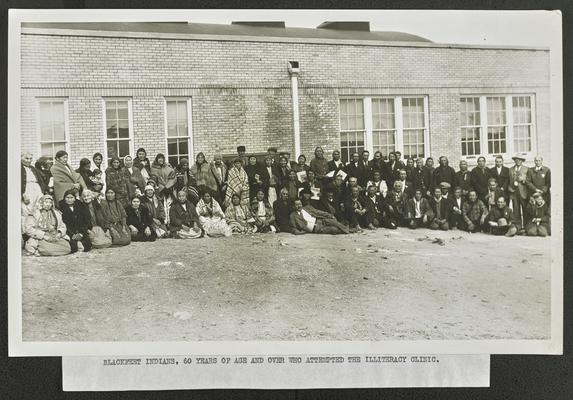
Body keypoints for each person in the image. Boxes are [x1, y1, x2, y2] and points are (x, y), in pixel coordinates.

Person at [21, 152, 48, 218]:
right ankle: (27, 227)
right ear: (21, 158)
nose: (29, 160)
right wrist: (23, 194)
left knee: (38, 208)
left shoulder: (33, 168)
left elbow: (40, 181)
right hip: (27, 189)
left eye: (30, 159)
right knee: (27, 209)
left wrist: (42, 191)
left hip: (37, 189)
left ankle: (37, 226)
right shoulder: (18, 168)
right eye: (27, 158)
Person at [508, 155, 529, 231]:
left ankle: (526, 227)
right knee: (516, 210)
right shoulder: (510, 169)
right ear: (514, 161)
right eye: (516, 160)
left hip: (523, 192)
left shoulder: (526, 169)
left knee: (525, 210)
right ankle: (518, 227)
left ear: (522, 161)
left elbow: (528, 181)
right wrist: (509, 188)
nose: (518, 161)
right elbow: (509, 181)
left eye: (519, 160)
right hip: (514, 193)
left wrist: (523, 180)